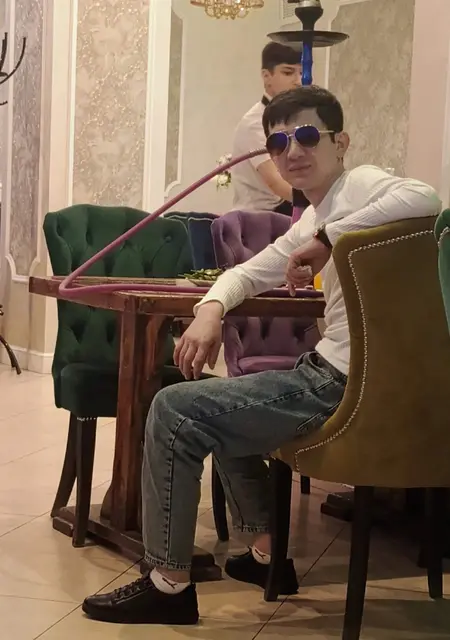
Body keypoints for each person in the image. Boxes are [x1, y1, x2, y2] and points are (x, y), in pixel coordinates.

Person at [82, 86, 441, 626]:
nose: (292, 151)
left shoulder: (359, 186)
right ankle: (267, 555)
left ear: (341, 143)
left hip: (347, 383)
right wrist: (210, 310)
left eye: (306, 135)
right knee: (220, 405)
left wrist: (329, 237)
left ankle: (168, 585)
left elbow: (426, 198)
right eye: (278, 143)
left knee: (175, 409)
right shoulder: (313, 216)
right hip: (347, 377)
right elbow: (248, 272)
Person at [231, 42, 305, 215]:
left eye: (301, 73)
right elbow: (276, 182)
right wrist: (319, 203)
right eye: (288, 72)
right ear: (266, 76)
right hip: (257, 219)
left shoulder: (296, 119)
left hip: (284, 212)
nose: (298, 81)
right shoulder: (255, 123)